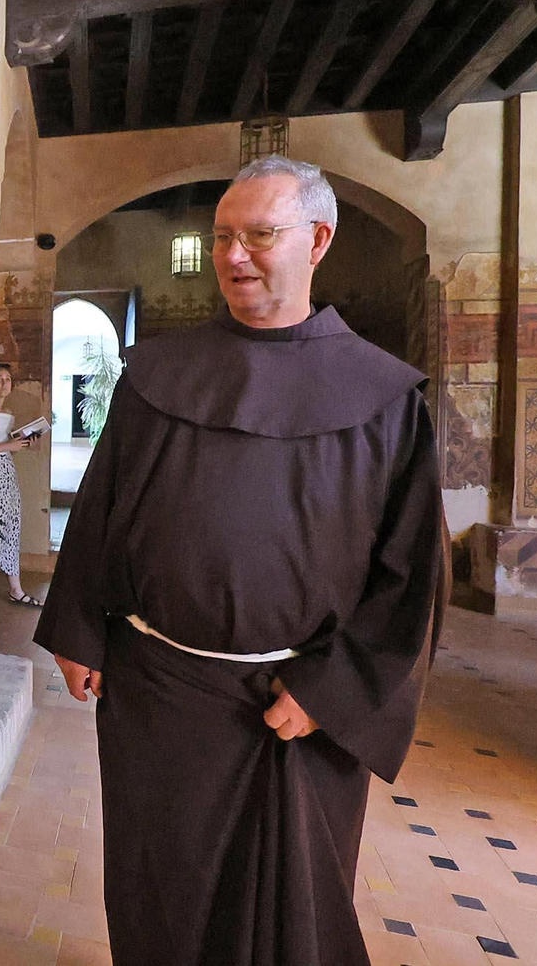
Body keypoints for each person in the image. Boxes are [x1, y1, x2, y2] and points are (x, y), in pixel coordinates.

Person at [34, 155, 448, 966]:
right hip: (161, 694)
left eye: (259, 235)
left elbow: (411, 579)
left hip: (293, 708)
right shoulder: (156, 374)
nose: (233, 256)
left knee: (284, 919)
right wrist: (78, 627)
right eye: (223, 237)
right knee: (161, 892)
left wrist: (331, 690)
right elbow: (103, 502)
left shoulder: (385, 398)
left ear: (317, 239)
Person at [0, 363, 43, 605]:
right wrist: (7, 447)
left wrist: (20, 443)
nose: (4, 383)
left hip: (6, 472)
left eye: (7, 379)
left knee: (12, 523)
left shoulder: (8, 410)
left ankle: (15, 588)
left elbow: (6, 445)